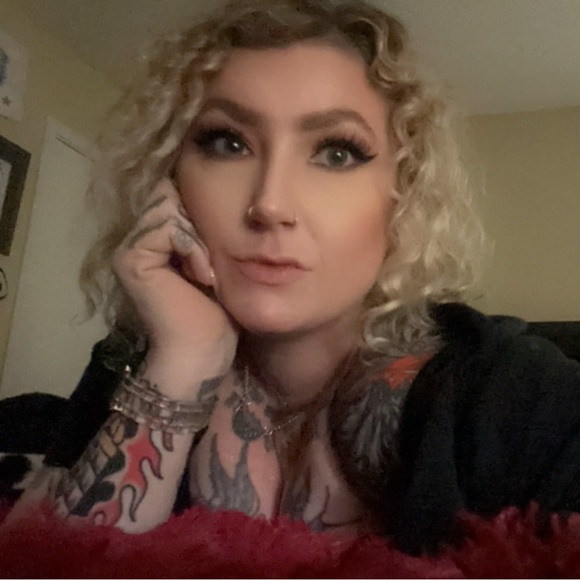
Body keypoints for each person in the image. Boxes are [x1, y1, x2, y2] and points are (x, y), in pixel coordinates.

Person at [7, 0, 580, 557]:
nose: (270, 204)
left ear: (403, 196)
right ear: (170, 181)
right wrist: (182, 362)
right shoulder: (137, 357)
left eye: (337, 153)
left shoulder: (512, 389)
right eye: (228, 143)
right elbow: (44, 560)